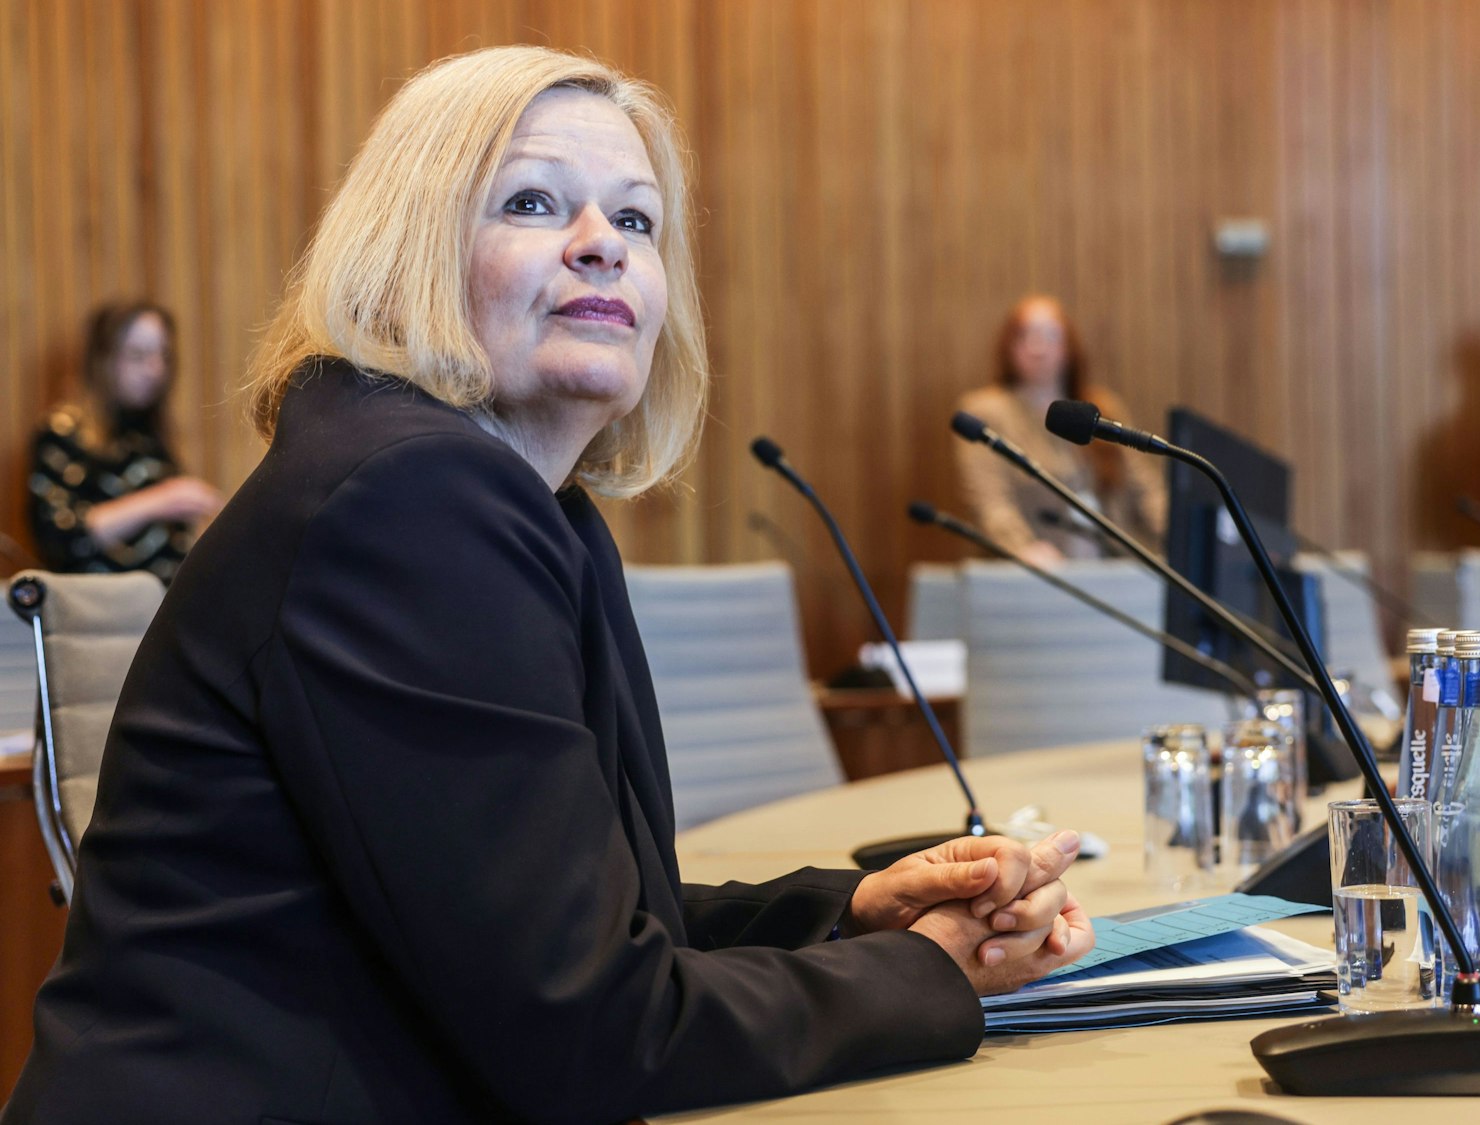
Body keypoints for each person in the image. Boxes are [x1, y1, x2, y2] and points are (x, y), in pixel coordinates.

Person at [2, 47, 1093, 1125]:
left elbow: (578, 927)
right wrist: (933, 972)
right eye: (531, 202)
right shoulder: (408, 503)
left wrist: (852, 909)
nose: (600, 249)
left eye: (634, 221)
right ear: (407, 257)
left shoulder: (514, 504)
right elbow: (592, 1032)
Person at [955, 295, 1167, 567]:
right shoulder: (987, 411)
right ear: (1008, 347)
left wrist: (1184, 536)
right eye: (1025, 336)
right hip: (1039, 573)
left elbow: (1147, 491)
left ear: (1069, 346)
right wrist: (1023, 548)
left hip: (1111, 570)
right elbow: (990, 503)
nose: (1038, 347)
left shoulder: (1102, 407)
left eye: (1050, 335)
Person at [25, 303, 222, 580]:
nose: (155, 369)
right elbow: (58, 537)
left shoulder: (150, 434)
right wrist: (163, 499)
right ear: (103, 359)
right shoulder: (63, 433)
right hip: (100, 610)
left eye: (163, 355)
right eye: (138, 355)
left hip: (156, 607)